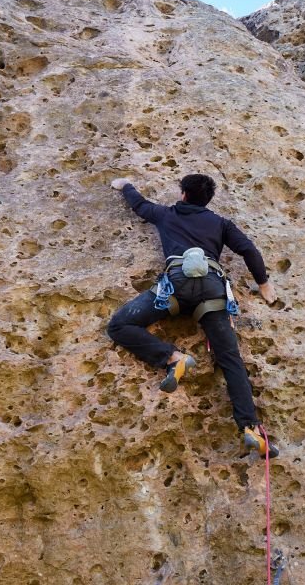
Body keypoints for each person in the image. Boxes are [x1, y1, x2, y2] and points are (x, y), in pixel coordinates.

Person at [107, 173, 279, 458]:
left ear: (183, 194)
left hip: (175, 289)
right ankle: (250, 428)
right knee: (230, 359)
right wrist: (264, 284)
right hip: (212, 293)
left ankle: (173, 358)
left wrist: (125, 185)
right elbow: (248, 249)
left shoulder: (167, 215)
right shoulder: (220, 224)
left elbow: (139, 205)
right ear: (207, 199)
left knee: (120, 324)